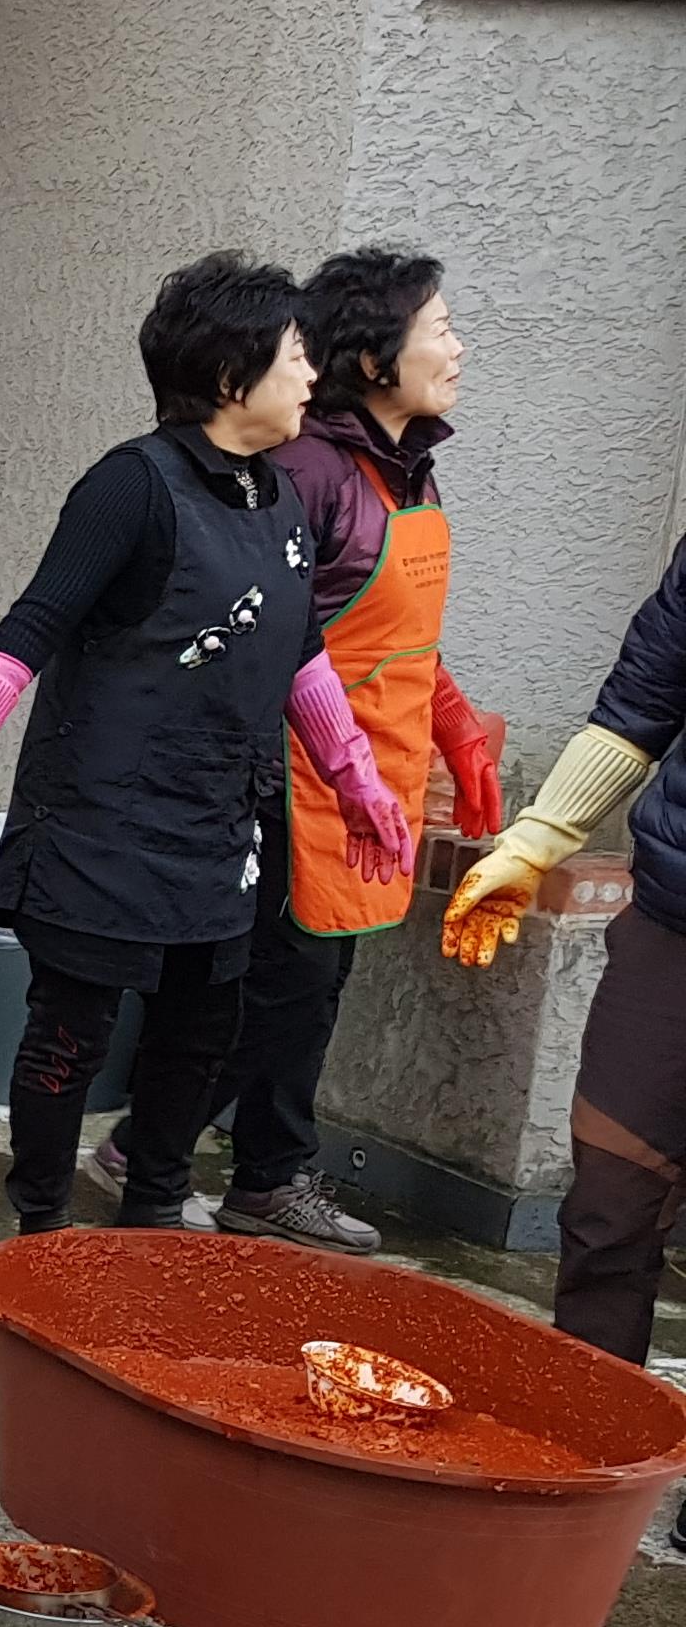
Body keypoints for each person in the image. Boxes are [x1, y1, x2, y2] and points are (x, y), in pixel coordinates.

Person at [0, 253, 413, 1234]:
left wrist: (358, 782)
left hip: (218, 825)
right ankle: (38, 1230)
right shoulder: (131, 487)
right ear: (227, 378)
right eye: (295, 354)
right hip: (101, 825)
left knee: (199, 1035)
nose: (311, 374)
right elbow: (28, 630)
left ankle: (154, 1222)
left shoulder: (280, 501)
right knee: (67, 1039)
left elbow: (300, 655)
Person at [197, 250, 501, 1252]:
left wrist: (456, 733)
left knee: (300, 986)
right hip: (300, 777)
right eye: (439, 329)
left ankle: (174, 1140)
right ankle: (265, 1179)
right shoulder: (313, 474)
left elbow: (401, 635)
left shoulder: (406, 468)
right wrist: (341, 766)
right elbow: (275, 637)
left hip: (379, 772)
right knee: (289, 986)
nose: (457, 348)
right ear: (373, 358)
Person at [445, 534, 686, 1370]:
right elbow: (642, 704)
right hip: (673, 927)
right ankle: (582, 1462)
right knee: (610, 1209)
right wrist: (536, 840)